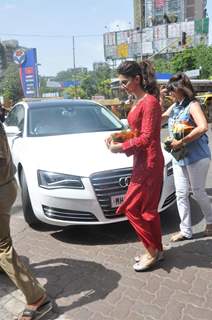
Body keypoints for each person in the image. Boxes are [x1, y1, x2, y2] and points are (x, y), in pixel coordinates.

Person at [106, 60, 164, 272]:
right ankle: (157, 249)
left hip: (149, 163)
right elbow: (137, 132)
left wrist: (120, 147)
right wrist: (118, 135)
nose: (122, 86)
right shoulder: (138, 101)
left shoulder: (149, 102)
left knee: (132, 209)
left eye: (124, 82)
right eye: (120, 82)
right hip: (142, 161)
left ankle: (151, 251)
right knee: (148, 211)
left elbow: (147, 137)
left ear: (137, 79)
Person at [0, 121, 53, 320]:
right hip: (6, 184)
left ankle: (37, 297)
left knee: (2, 247)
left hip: (1, 188)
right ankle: (5, 268)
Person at [161, 72, 212, 242]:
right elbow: (159, 119)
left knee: (197, 192)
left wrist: (182, 141)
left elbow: (203, 127)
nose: (170, 93)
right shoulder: (175, 106)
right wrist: (159, 99)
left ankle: (211, 222)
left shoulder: (193, 105)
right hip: (179, 157)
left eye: (171, 90)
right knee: (181, 194)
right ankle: (185, 230)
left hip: (197, 156)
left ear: (181, 90)